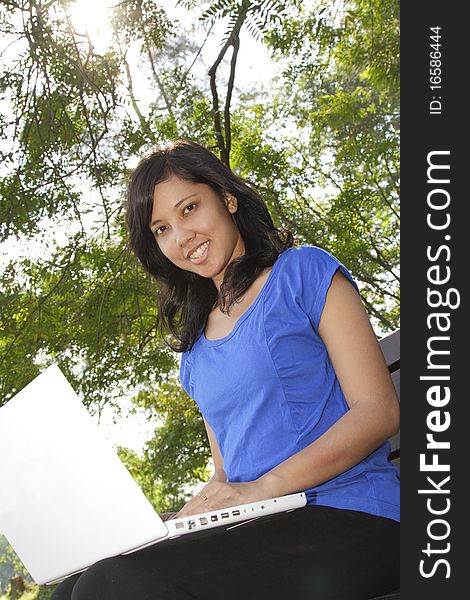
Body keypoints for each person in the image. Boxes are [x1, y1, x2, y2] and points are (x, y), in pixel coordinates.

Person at [51, 140, 400, 600]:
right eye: (161, 229)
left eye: (189, 208)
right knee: (74, 585)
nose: (182, 236)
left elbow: (378, 411)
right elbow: (226, 478)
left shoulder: (302, 273)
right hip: (262, 527)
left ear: (227, 198)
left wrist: (264, 488)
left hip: (354, 513)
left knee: (110, 587)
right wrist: (183, 520)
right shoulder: (195, 353)